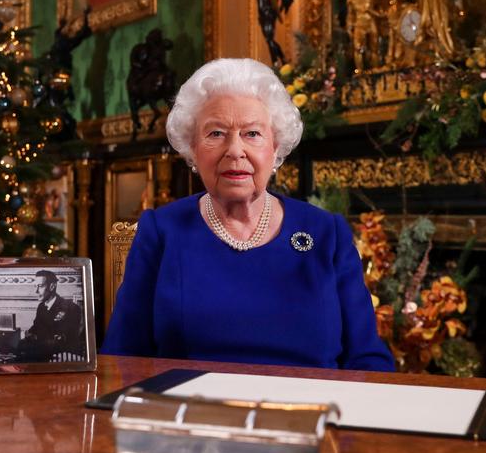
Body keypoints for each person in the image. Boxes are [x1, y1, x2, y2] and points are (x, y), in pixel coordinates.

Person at [101, 58, 394, 371]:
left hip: (310, 414)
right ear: (192, 148)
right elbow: (122, 357)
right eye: (216, 133)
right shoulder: (162, 230)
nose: (235, 151)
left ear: (275, 146)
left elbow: (367, 357)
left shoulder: (326, 233)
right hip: (191, 413)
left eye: (252, 133)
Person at [15, 270, 84, 362]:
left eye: (40, 286)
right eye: (35, 286)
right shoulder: (41, 307)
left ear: (52, 286)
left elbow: (63, 340)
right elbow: (35, 328)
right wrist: (25, 335)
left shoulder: (70, 308)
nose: (36, 291)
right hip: (42, 352)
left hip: (61, 357)